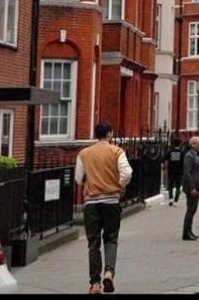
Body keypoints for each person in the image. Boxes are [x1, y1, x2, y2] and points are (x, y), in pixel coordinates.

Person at [76, 122, 133, 295]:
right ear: (109, 134)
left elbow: (78, 178)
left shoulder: (84, 153)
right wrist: (120, 185)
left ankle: (95, 284)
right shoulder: (117, 151)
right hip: (111, 201)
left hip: (91, 203)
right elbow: (127, 173)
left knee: (93, 244)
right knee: (111, 239)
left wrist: (90, 182)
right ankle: (109, 272)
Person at [181, 136, 199, 241]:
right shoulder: (189, 156)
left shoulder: (195, 155)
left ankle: (189, 231)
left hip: (196, 187)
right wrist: (192, 188)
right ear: (193, 145)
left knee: (192, 210)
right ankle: (186, 232)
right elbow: (187, 173)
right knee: (190, 210)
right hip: (192, 188)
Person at [166, 138, 184, 206]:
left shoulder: (170, 152)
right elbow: (184, 162)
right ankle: (176, 201)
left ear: (173, 144)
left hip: (171, 171)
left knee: (170, 186)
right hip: (179, 172)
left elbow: (164, 158)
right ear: (180, 144)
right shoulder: (182, 153)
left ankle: (170, 199)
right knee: (178, 187)